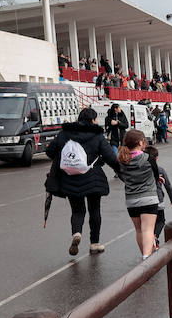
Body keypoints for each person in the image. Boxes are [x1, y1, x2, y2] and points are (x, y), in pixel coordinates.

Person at [45, 107, 121, 257]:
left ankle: (76, 233)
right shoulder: (97, 135)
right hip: (93, 178)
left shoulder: (65, 133)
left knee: (77, 210)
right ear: (93, 120)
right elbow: (110, 157)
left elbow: (50, 152)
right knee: (95, 210)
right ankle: (94, 244)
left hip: (70, 177)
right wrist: (120, 170)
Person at [116, 130, 165, 258]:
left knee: (138, 230)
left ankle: (144, 254)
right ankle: (147, 257)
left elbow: (123, 176)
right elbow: (154, 174)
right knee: (148, 230)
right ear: (140, 142)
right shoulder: (148, 158)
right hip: (148, 198)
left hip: (131, 200)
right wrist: (156, 179)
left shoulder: (122, 160)